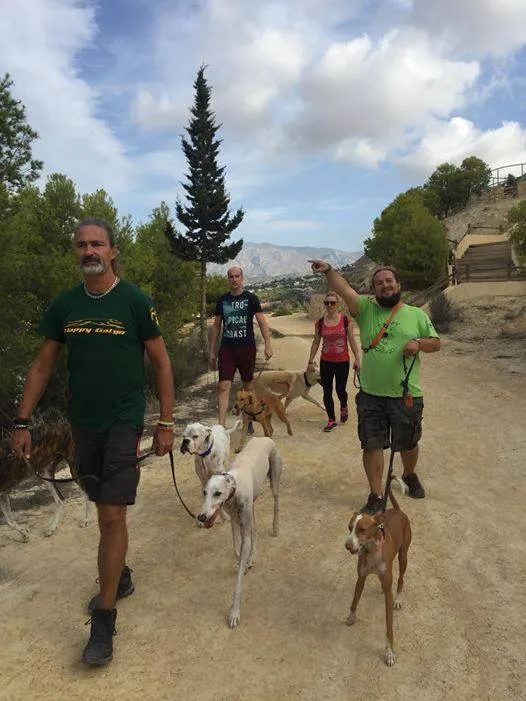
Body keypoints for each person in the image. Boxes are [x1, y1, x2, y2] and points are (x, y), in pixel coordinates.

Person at [11, 216, 174, 667]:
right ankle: (117, 574)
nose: (89, 251)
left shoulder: (136, 301)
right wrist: (21, 421)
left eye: (97, 244)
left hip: (123, 421)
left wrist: (165, 422)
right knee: (99, 498)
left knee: (110, 512)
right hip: (81, 423)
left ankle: (103, 619)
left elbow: (161, 363)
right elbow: (43, 366)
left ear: (113, 251)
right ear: (76, 252)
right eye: (81, 245)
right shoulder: (65, 306)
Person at [309, 259, 440, 514]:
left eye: (389, 281)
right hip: (371, 395)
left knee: (409, 442)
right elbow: (345, 289)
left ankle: (410, 474)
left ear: (398, 284)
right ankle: (375, 494)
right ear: (374, 289)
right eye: (379, 283)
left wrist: (417, 343)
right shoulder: (366, 309)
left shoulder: (416, 314)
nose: (385, 286)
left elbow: (435, 343)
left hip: (406, 394)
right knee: (371, 444)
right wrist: (327, 271)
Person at [209, 266, 273, 427]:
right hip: (227, 349)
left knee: (248, 387)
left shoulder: (251, 299)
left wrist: (268, 345)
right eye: (231, 276)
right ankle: (221, 426)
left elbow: (262, 322)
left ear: (242, 278)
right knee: (223, 386)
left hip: (247, 348)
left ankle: (249, 419)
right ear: (228, 279)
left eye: (237, 276)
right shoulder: (222, 300)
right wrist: (211, 350)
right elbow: (216, 326)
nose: (234, 279)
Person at [307, 291, 360, 432]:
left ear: (338, 304)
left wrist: (357, 359)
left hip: (342, 361)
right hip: (326, 361)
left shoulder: (346, 321)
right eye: (327, 302)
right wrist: (310, 361)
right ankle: (331, 420)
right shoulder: (319, 323)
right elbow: (315, 342)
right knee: (327, 390)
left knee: (340, 389)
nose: (329, 305)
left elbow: (352, 341)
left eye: (332, 302)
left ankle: (344, 406)